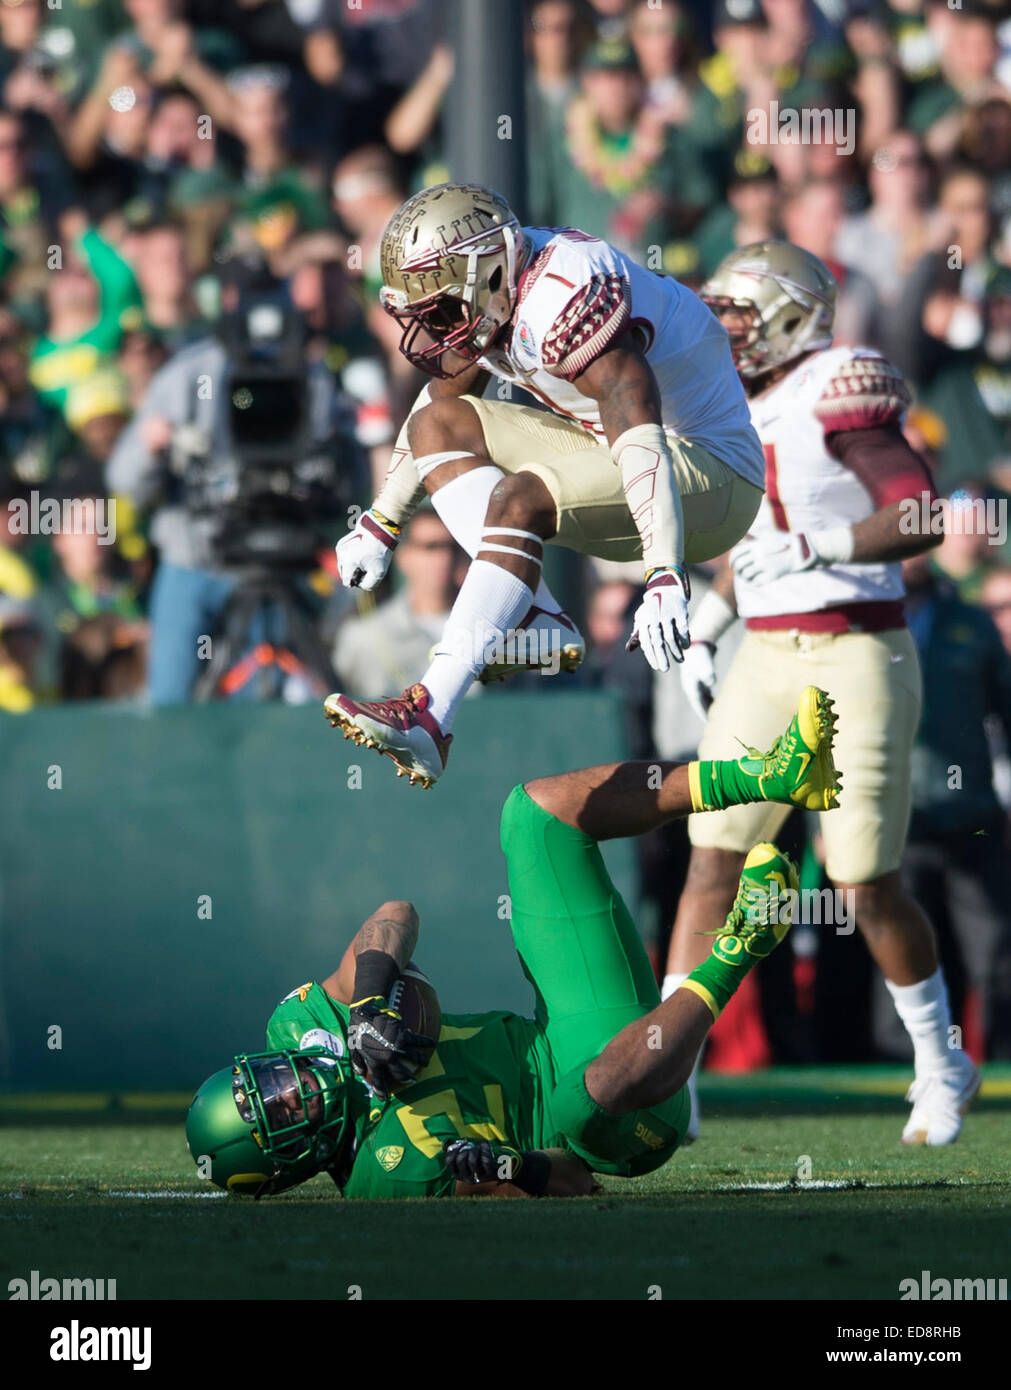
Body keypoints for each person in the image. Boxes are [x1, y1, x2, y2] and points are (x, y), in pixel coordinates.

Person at [186, 687, 839, 1198]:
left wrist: (367, 1003)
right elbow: (576, 1180)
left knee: (535, 815)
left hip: (562, 1028)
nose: (287, 1086)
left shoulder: (301, 1026)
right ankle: (746, 937)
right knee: (588, 1099)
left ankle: (770, 775)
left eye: (267, 1082)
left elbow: (393, 915)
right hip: (604, 1123)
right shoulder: (386, 1175)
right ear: (289, 1157)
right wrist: (513, 1164)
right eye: (278, 1110)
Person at [662, 239, 979, 1147]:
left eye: (740, 316)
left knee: (860, 879)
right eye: (717, 316)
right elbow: (752, 529)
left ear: (796, 316)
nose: (724, 333)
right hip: (762, 651)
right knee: (712, 854)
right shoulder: (725, 398)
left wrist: (823, 548)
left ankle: (935, 1057)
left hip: (855, 650)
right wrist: (712, 623)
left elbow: (918, 514)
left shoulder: (838, 383)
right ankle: (670, 1066)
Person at [325, 181, 765, 787]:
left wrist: (663, 570)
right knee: (438, 424)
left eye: (443, 309)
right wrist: (382, 519)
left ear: (489, 273)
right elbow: (438, 403)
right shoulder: (500, 289)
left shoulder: (564, 291)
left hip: (712, 476)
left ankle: (431, 712)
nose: (433, 331)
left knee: (519, 498)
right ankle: (539, 618)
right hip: (630, 449)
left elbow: (636, 421)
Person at [333, 510, 466, 701]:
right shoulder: (364, 637)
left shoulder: (494, 631)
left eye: (452, 547)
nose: (444, 558)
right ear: (405, 557)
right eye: (431, 547)